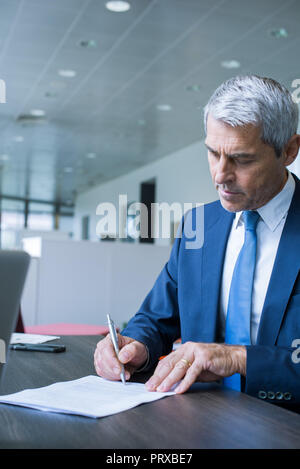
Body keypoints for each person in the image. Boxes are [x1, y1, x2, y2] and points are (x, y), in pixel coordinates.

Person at [94, 75, 300, 412]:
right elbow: (156, 317)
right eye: (212, 153)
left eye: (242, 159)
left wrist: (238, 358)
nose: (220, 175)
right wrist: (135, 347)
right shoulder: (198, 224)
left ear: (289, 151)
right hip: (199, 420)